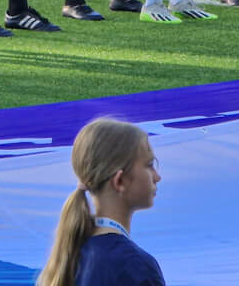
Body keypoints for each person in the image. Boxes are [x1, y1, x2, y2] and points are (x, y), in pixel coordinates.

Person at [37, 117, 164, 286]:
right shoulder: (136, 266)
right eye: (149, 165)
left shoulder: (66, 259)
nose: (157, 177)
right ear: (120, 181)